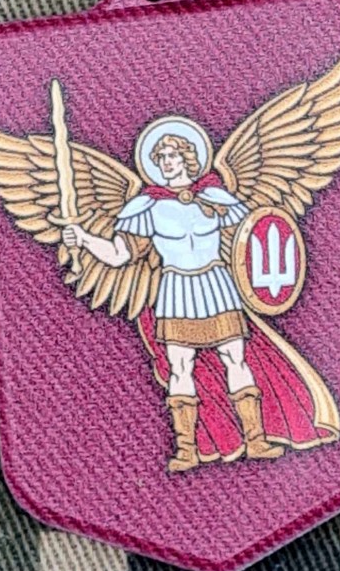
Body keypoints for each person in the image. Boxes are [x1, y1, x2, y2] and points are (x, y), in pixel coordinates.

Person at [63, 133, 284, 472]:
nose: (166, 162)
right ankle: (186, 450)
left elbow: (253, 234)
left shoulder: (214, 197)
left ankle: (255, 440)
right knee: (180, 367)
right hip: (177, 291)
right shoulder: (146, 207)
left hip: (217, 286)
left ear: (187, 158)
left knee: (235, 359)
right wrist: (84, 239)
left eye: (172, 155)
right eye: (161, 156)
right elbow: (120, 255)